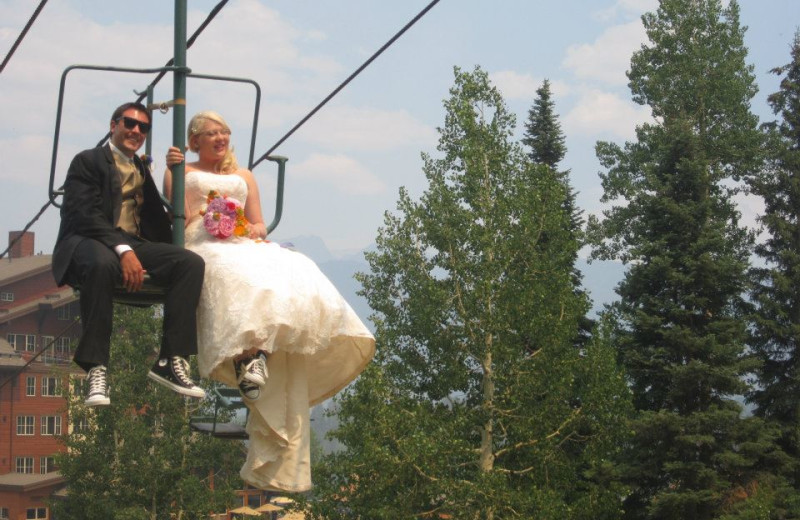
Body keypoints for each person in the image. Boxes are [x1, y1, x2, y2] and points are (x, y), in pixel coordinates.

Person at [164, 110, 375, 492]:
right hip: (203, 243)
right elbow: (176, 211)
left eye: (224, 131)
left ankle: (258, 353)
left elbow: (258, 223)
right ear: (195, 140)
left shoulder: (244, 176)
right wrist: (204, 210)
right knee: (234, 275)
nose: (219, 138)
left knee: (289, 266)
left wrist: (244, 226)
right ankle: (248, 356)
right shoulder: (182, 170)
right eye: (210, 133)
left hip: (240, 242)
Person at [53, 102, 207, 407]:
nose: (136, 131)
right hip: (88, 239)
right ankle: (96, 368)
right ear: (114, 125)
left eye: (143, 127)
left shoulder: (139, 167)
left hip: (131, 242)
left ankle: (171, 359)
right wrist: (122, 249)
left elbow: (153, 218)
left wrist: (183, 212)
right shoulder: (88, 161)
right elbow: (82, 214)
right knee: (101, 263)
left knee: (189, 263)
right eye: (129, 123)